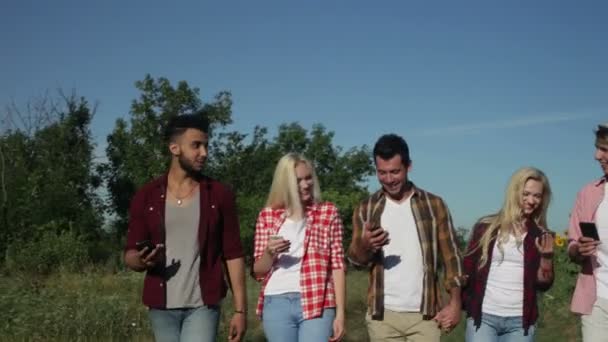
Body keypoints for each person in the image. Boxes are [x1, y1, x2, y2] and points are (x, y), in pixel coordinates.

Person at [124, 114, 247, 342]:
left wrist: (240, 311)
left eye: (206, 146)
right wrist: (140, 261)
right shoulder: (146, 196)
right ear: (175, 148)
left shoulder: (219, 194)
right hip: (161, 306)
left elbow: (233, 254)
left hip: (203, 304)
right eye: (196, 145)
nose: (204, 153)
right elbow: (130, 253)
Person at [347, 134, 466, 342]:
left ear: (408, 167)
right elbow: (356, 261)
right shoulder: (366, 208)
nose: (389, 179)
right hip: (382, 316)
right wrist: (365, 245)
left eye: (395, 171)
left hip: (425, 316)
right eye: (382, 173)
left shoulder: (434, 205)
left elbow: (452, 259)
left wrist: (455, 304)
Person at [251, 153, 346, 342]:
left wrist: (341, 313)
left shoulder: (327, 212)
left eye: (308, 178)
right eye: (298, 180)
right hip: (276, 300)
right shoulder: (267, 216)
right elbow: (258, 271)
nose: (305, 184)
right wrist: (270, 252)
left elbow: (337, 265)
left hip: (318, 299)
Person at [462, 167, 555, 341]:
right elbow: (467, 269)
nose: (531, 200)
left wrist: (547, 259)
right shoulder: (486, 227)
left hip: (520, 322)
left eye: (537, 196)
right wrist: (458, 304)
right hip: (484, 317)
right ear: (514, 192)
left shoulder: (541, 235)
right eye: (525, 194)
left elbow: (544, 284)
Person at [568, 122, 608, 342]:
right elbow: (572, 246)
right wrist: (579, 250)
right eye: (597, 147)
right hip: (597, 300)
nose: (596, 155)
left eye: (605, 149)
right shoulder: (587, 194)